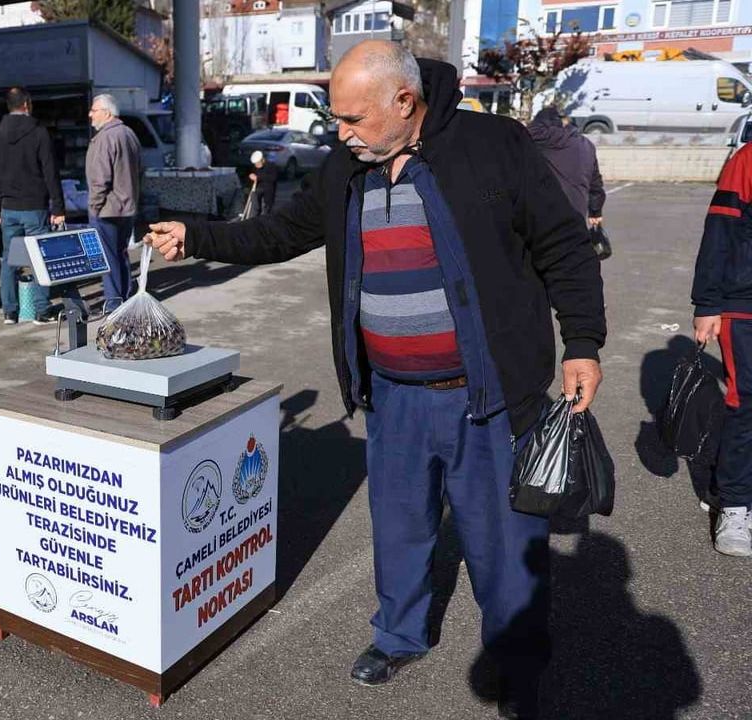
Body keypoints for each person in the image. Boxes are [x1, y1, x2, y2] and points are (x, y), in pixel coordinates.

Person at [144, 42, 605, 719]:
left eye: (353, 118)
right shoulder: (347, 168)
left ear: (404, 102)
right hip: (392, 394)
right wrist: (198, 237)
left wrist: (583, 345)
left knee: (505, 541)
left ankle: (517, 663)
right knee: (400, 528)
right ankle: (400, 635)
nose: (341, 131)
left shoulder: (491, 145)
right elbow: (279, 233)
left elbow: (562, 243)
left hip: (487, 394)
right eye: (338, 118)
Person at [692, 141, 752, 557]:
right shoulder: (747, 159)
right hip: (744, 304)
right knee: (745, 401)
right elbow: (720, 230)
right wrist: (708, 303)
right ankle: (735, 503)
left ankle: (725, 483)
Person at [0, 87, 66, 325]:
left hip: (8, 208)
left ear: (9, 106)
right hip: (35, 206)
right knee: (40, 257)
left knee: (10, 258)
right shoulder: (39, 134)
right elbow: (51, 172)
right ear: (27, 105)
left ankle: (10, 311)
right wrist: (58, 208)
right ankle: (41, 310)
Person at [86, 93, 142, 312]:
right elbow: (140, 171)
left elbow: (101, 178)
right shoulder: (129, 134)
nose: (90, 114)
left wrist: (94, 206)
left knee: (108, 258)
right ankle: (126, 296)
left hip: (107, 209)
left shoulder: (106, 138)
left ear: (107, 113)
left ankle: (113, 303)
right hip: (127, 207)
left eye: (94, 110)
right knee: (121, 253)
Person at [527, 107, 605, 228]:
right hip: (576, 214)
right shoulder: (586, 145)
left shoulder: (546, 139)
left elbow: (530, 131)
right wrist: (595, 211)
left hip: (546, 215)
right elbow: (595, 184)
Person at [247, 150, 279, 217]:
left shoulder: (271, 166)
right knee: (255, 205)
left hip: (268, 189)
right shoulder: (255, 167)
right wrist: (251, 176)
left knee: (267, 208)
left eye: (257, 163)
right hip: (258, 188)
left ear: (262, 160)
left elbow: (273, 178)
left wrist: (258, 178)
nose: (256, 165)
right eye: (255, 164)